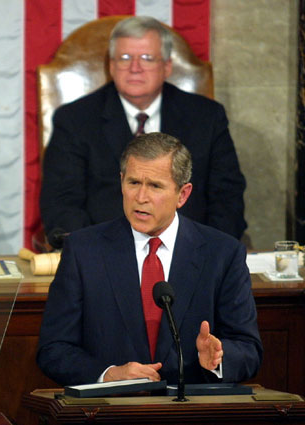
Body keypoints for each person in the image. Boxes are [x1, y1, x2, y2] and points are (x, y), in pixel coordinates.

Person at [37, 132, 262, 386]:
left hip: (191, 412)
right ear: (121, 182)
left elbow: (249, 350)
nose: (140, 197)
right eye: (133, 183)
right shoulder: (83, 250)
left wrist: (219, 358)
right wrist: (109, 374)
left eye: (155, 186)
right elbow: (53, 349)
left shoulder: (223, 254)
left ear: (183, 195)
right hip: (110, 411)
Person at [40, 16, 247, 245]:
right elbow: (61, 203)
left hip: (191, 253)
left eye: (147, 58)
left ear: (167, 66)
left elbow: (227, 199)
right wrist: (95, 256)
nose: (135, 68)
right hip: (104, 255)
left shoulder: (207, 117)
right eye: (125, 58)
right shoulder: (75, 120)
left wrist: (208, 252)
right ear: (111, 65)